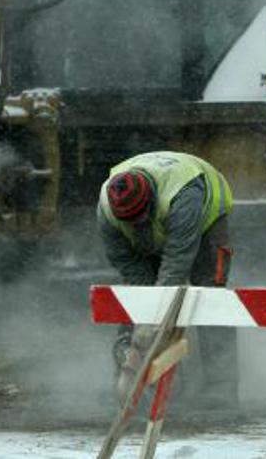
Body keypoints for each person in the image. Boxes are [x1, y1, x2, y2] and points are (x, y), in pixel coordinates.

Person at [98, 151, 236, 409]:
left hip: (207, 222)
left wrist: (155, 321)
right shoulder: (106, 210)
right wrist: (145, 315)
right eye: (130, 222)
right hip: (159, 227)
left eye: (140, 218)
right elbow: (125, 261)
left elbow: (176, 264)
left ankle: (221, 390)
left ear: (149, 202)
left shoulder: (184, 196)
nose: (137, 224)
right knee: (142, 301)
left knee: (210, 297)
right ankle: (153, 383)